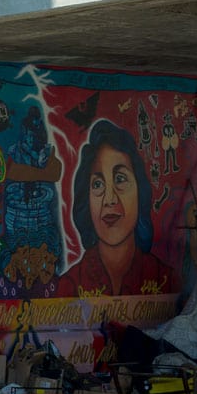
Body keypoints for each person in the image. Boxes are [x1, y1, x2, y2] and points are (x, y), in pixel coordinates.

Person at [54, 118, 177, 298]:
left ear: (139, 191)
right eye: (97, 184)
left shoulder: (165, 280)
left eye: (120, 179)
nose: (109, 199)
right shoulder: (69, 286)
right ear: (86, 200)